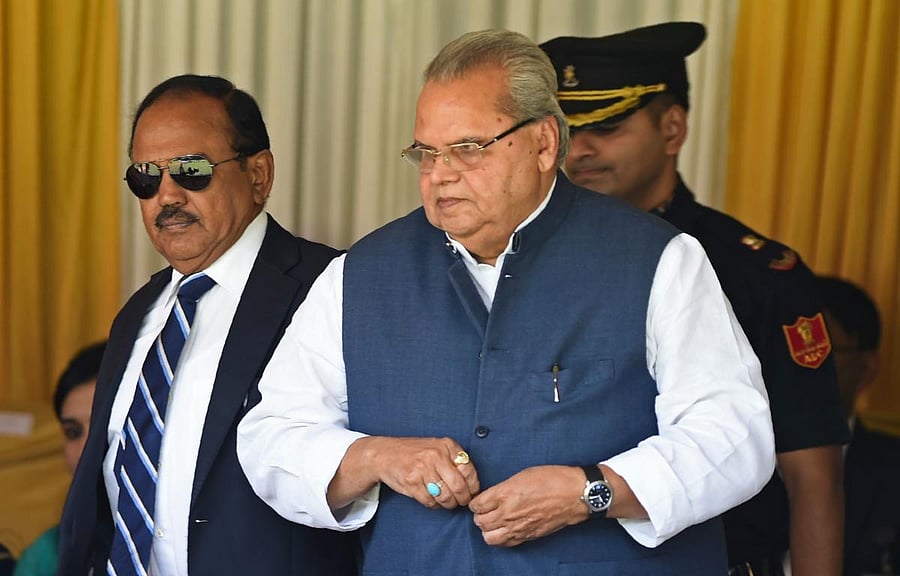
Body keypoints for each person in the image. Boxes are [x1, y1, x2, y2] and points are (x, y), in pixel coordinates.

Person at [237, 29, 775, 575]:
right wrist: (376, 457)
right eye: (426, 153)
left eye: (467, 149)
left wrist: (591, 490)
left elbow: (734, 437)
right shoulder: (358, 274)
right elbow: (271, 436)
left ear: (543, 143)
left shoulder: (661, 261)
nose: (440, 174)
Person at [540, 22, 850, 576]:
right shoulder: (527, 264)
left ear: (673, 128)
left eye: (606, 126)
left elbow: (813, 475)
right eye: (568, 131)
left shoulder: (758, 272)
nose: (580, 150)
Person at [57, 75, 356, 575]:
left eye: (191, 171)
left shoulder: (332, 288)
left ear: (258, 174)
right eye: (146, 177)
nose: (166, 196)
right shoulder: (140, 311)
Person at [817, 275, 900, 575]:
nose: (800, 366)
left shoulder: (893, 471)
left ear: (867, 368)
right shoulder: (736, 452)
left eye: (819, 350)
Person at [13, 342, 104, 576]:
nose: (86, 448)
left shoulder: (194, 541)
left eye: (102, 427)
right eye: (73, 432)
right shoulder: (46, 555)